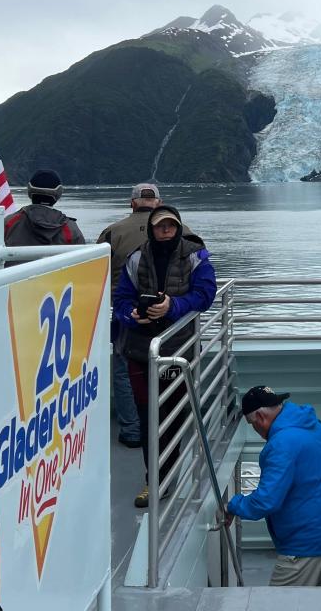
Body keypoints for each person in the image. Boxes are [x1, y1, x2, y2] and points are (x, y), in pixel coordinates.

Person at [113, 205, 217, 507]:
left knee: (172, 413)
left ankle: (166, 475)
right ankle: (154, 478)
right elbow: (120, 299)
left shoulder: (196, 256)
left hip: (177, 348)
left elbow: (205, 294)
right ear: (151, 228)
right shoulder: (136, 258)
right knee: (147, 415)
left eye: (171, 226)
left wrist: (173, 306)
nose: (166, 231)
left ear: (179, 227)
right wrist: (131, 315)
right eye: (160, 226)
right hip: (139, 349)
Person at [225, 386, 321, 586]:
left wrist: (233, 505)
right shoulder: (313, 425)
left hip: (308, 548)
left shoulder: (281, 444)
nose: (255, 430)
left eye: (251, 424)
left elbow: (265, 501)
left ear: (260, 416)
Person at [97, 183, 170, 448]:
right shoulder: (181, 230)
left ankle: (132, 430)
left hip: (127, 312)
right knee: (170, 366)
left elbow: (96, 273)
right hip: (169, 313)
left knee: (124, 368)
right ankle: (169, 424)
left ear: (132, 203)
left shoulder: (112, 232)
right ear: (159, 205)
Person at [4, 169, 85, 245]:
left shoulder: (10, 223)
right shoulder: (70, 229)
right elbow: (83, 257)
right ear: (58, 193)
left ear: (29, 191)